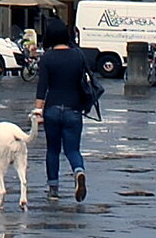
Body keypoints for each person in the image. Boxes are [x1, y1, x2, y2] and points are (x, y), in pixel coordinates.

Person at [34, 18, 89, 202]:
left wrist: (37, 111)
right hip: (74, 108)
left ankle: (53, 189)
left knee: (53, 150)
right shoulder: (78, 56)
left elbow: (42, 88)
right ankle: (78, 171)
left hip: (52, 109)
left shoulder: (47, 58)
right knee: (73, 149)